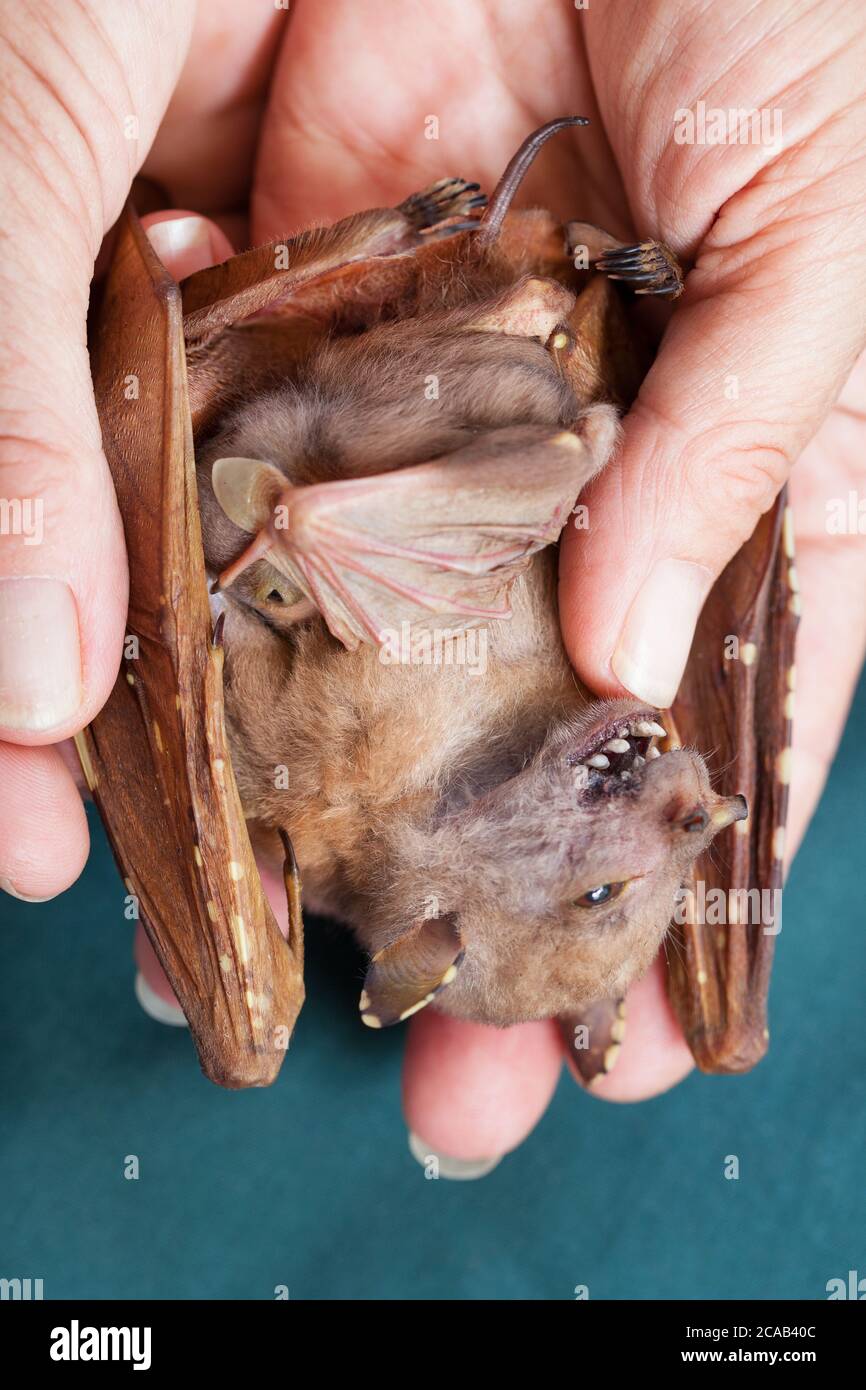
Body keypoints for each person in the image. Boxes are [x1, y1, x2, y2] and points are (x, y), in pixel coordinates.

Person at [1, 0, 865, 1177]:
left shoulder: (287, 785)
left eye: (608, 882)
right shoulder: (613, 663)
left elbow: (211, 519)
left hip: (265, 372)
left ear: (442, 924)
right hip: (500, 300)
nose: (686, 804)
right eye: (693, 849)